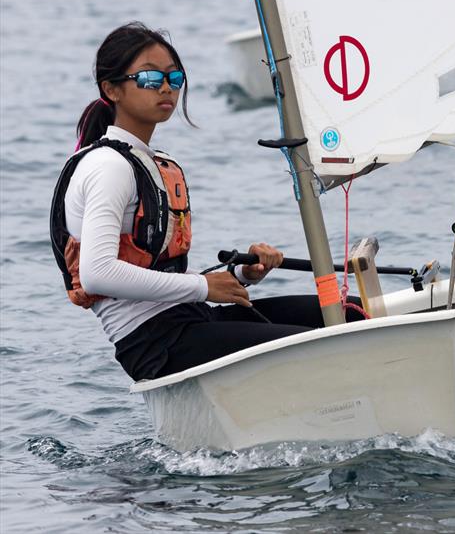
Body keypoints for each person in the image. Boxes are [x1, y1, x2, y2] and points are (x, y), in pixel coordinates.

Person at [50, 22, 361, 382]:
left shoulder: (149, 160)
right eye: (150, 79)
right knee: (322, 347)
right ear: (112, 89)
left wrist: (241, 274)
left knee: (347, 315)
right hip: (154, 343)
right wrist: (204, 287)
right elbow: (97, 273)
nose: (166, 88)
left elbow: (161, 275)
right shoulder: (108, 167)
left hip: (192, 319)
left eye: (174, 78)